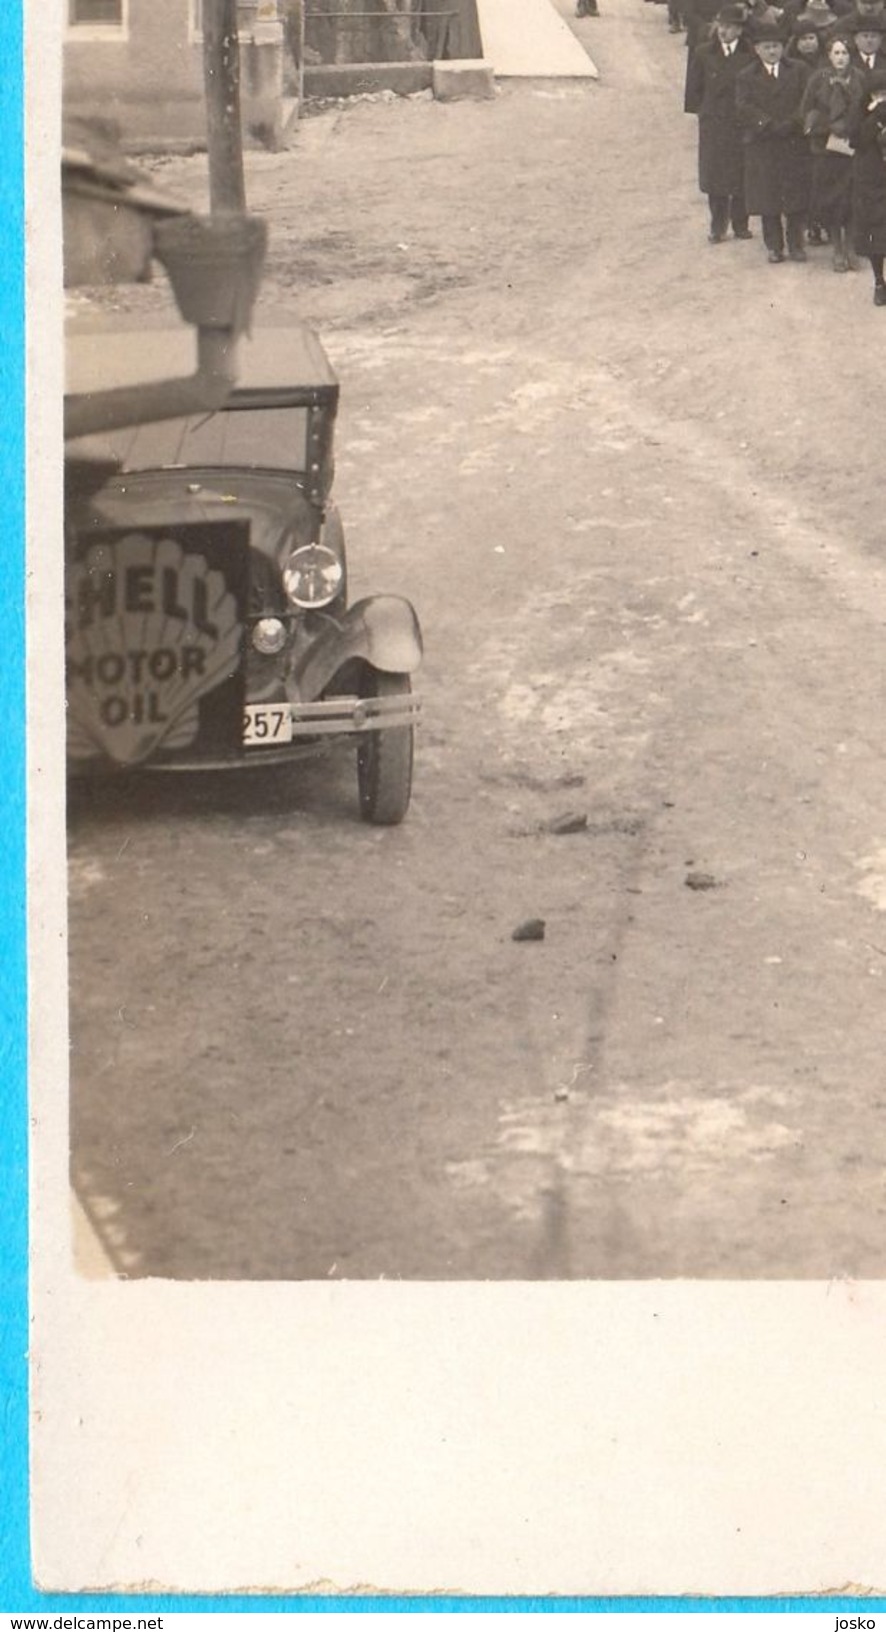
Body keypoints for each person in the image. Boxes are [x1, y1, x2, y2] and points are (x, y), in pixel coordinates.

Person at [736, 16, 813, 257]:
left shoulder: (799, 70)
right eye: (766, 47)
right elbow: (742, 105)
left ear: (784, 47)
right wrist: (766, 123)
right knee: (767, 197)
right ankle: (774, 246)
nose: (772, 51)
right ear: (757, 49)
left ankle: (796, 244)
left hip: (793, 139)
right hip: (763, 142)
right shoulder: (746, 75)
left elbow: (808, 100)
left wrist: (792, 122)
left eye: (776, 46)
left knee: (796, 195)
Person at [686, 3, 757, 238]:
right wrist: (703, 113)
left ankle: (740, 224)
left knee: (741, 172)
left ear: (739, 30)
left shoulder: (750, 54)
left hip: (740, 121)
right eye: (720, 26)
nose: (722, 31)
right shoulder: (704, 52)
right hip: (714, 121)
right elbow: (694, 87)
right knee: (714, 174)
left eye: (728, 27)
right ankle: (718, 225)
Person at [801, 30, 865, 263]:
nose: (840, 57)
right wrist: (827, 126)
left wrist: (853, 129)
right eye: (836, 53)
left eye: (845, 53)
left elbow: (868, 110)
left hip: (853, 148)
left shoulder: (859, 78)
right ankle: (837, 249)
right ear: (828, 55)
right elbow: (806, 111)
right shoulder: (818, 79)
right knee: (832, 200)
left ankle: (850, 248)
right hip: (826, 149)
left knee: (852, 199)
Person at [851, 73, 886, 299]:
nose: (883, 99)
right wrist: (876, 116)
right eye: (879, 94)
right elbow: (856, 140)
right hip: (873, 179)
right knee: (876, 231)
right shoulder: (863, 114)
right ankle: (879, 282)